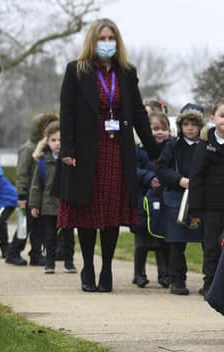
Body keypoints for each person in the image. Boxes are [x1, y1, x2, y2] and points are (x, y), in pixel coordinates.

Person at [57, 18, 160, 293]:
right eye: (102, 38)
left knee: (112, 213)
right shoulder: (76, 70)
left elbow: (138, 112)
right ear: (93, 40)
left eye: (110, 38)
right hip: (86, 150)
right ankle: (88, 267)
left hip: (117, 150)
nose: (106, 43)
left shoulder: (126, 72)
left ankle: (107, 270)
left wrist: (155, 150)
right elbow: (66, 113)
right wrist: (67, 149)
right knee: (89, 211)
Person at [189, 97, 224, 297]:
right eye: (222, 116)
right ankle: (210, 283)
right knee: (212, 245)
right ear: (213, 118)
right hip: (212, 205)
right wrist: (195, 208)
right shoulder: (205, 144)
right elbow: (196, 177)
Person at [156, 108, 205, 295]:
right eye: (186, 124)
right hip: (177, 197)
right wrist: (179, 180)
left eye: (194, 124)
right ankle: (177, 280)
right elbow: (161, 168)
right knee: (177, 242)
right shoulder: (172, 145)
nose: (190, 128)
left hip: (201, 198)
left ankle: (209, 281)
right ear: (180, 126)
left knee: (206, 241)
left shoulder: (205, 145)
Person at [9, 113, 59, 266]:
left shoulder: (44, 149)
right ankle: (13, 252)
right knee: (25, 225)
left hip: (40, 195)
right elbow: (22, 174)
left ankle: (36, 254)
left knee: (38, 227)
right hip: (30, 194)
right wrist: (22, 196)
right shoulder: (28, 148)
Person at [29, 121, 76, 274]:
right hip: (49, 207)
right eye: (53, 140)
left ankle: (69, 262)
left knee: (68, 236)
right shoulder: (43, 163)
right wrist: (34, 205)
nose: (57, 144)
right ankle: (50, 262)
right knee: (49, 237)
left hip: (67, 205)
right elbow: (36, 186)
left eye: (60, 140)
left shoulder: (71, 160)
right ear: (47, 141)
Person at [133, 111, 172, 288]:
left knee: (161, 239)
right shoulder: (140, 150)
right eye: (155, 129)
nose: (159, 133)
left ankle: (164, 273)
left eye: (163, 129)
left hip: (163, 200)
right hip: (143, 199)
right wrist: (148, 177)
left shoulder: (170, 148)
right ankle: (138, 273)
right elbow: (134, 169)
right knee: (142, 241)